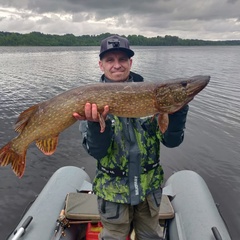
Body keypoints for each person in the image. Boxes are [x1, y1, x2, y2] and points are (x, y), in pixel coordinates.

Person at [73, 35, 189, 240]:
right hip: (112, 196)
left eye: (122, 59)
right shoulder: (89, 100)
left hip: (149, 192)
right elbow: (97, 151)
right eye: (110, 60)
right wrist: (95, 123)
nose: (117, 65)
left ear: (130, 63)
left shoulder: (154, 93)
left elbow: (171, 142)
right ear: (101, 65)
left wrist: (177, 110)